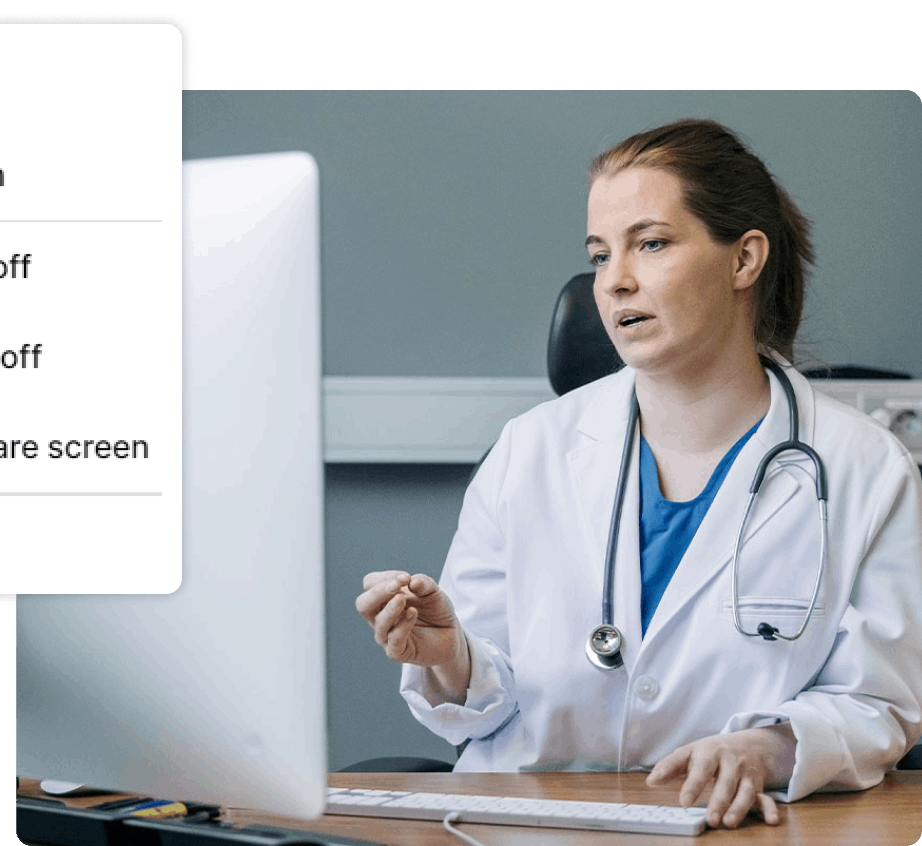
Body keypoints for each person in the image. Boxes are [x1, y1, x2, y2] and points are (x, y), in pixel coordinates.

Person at [356, 118, 922, 830]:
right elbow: (485, 696)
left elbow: (878, 704)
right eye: (599, 255)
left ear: (744, 260)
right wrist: (450, 657)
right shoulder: (529, 451)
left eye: (651, 244)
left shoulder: (866, 469)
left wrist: (767, 747)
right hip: (528, 828)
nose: (615, 281)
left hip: (733, 830)